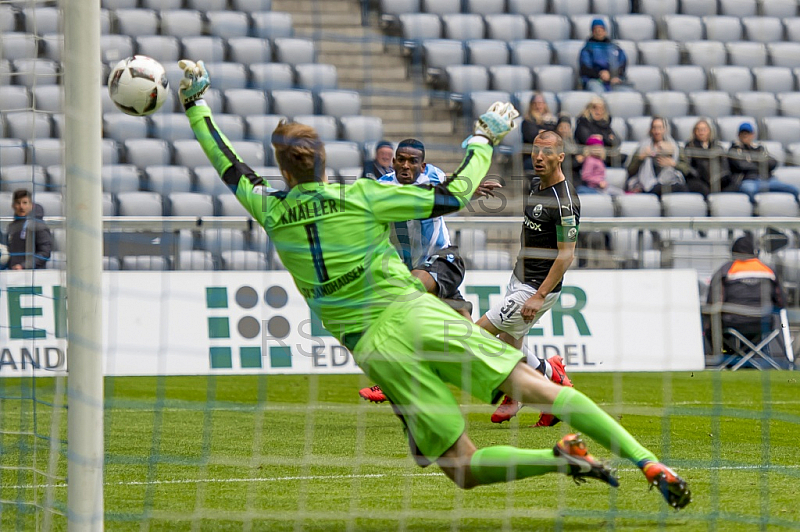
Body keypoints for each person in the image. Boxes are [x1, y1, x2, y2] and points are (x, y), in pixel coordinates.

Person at [178, 58, 691, 509]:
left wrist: (196, 105)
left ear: (280, 167)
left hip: (378, 348)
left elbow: (228, 165)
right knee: (540, 391)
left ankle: (559, 462)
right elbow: (455, 195)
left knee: (460, 468)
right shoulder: (362, 196)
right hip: (418, 312)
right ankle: (648, 462)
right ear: (323, 160)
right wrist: (483, 138)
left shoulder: (267, 208)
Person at [358, 138, 477, 402]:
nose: (405, 165)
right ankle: (544, 371)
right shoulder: (381, 188)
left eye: (413, 161)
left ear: (422, 166)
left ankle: (393, 382)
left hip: (443, 259)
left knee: (402, 300)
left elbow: (456, 188)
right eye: (401, 159)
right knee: (476, 339)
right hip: (408, 269)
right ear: (393, 161)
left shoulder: (434, 177)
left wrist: (474, 188)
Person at [473, 130, 577, 429]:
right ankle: (549, 379)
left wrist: (538, 295)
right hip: (519, 277)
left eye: (546, 152)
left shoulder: (565, 202)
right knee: (509, 345)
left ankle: (521, 389)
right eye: (535, 151)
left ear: (561, 156)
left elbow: (566, 255)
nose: (539, 157)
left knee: (473, 338)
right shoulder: (535, 184)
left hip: (535, 287)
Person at [705, 234, 791, 367]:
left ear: (734, 252)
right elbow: (781, 302)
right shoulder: (768, 270)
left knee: (711, 325)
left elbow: (713, 303)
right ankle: (751, 360)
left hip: (733, 323)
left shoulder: (725, 270)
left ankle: (732, 360)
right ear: (755, 252)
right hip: (763, 322)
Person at [727, 122, 799, 201]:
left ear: (753, 135)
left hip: (767, 179)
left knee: (794, 189)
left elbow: (773, 162)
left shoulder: (759, 148)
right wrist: (760, 163)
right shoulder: (734, 149)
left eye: (748, 133)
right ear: (738, 135)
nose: (745, 136)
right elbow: (741, 165)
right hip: (748, 180)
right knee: (749, 190)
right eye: (743, 133)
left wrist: (752, 162)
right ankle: (755, 211)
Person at [626, 117, 690, 196]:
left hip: (671, 182)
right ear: (651, 130)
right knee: (658, 189)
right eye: (654, 128)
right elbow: (630, 170)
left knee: (683, 189)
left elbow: (686, 170)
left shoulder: (675, 147)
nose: (657, 131)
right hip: (649, 184)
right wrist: (640, 158)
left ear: (665, 129)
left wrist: (674, 164)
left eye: (660, 128)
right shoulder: (643, 147)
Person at [579, 18, 630, 94]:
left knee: (626, 93)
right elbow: (585, 68)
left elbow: (622, 63)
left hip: (614, 79)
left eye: (601, 29)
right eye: (596, 30)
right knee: (598, 92)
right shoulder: (587, 49)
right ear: (592, 32)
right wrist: (600, 74)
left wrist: (613, 76)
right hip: (595, 80)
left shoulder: (615, 48)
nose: (599, 32)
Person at [5, 188, 52, 270]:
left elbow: (45, 253)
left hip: (33, 275)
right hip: (12, 274)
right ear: (13, 206)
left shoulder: (39, 226)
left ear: (31, 205)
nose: (21, 206)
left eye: (25, 203)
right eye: (18, 203)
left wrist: (23, 266)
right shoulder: (11, 227)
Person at [684, 118, 731, 197]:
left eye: (704, 129)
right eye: (698, 130)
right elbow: (688, 167)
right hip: (699, 179)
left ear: (709, 131)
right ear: (694, 132)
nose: (701, 132)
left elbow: (725, 166)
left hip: (717, 179)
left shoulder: (717, 147)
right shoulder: (689, 146)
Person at [521, 92, 557, 174]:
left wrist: (543, 133)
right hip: (533, 156)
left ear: (545, 105)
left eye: (540, 103)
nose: (538, 106)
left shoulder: (551, 120)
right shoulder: (527, 121)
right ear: (531, 105)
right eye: (535, 104)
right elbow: (533, 137)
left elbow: (557, 136)